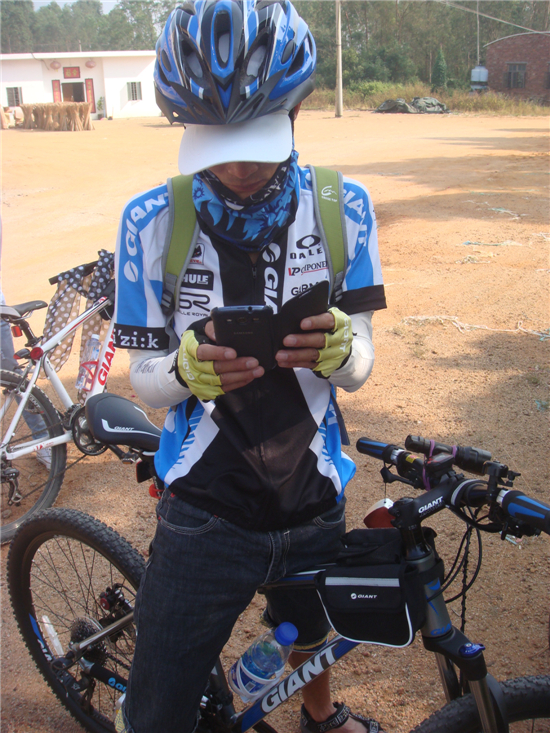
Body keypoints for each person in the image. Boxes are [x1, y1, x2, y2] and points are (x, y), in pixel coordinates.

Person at [113, 3, 386, 732]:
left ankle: (319, 717)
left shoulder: (344, 208)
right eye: (216, 142)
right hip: (203, 515)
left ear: (294, 115)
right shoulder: (150, 221)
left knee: (310, 633)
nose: (236, 168)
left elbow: (360, 365)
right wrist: (183, 371)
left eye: (255, 140)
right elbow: (143, 379)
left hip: (315, 496)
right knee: (157, 710)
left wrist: (344, 352)